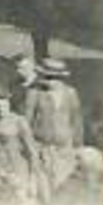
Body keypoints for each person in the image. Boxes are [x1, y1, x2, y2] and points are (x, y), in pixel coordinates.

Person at [26, 58, 86, 197]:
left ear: (61, 79)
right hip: (42, 147)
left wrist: (78, 145)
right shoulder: (34, 93)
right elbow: (27, 121)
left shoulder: (71, 93)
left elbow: (76, 121)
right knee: (44, 188)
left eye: (53, 78)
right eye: (46, 77)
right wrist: (30, 146)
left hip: (64, 148)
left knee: (62, 186)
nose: (49, 81)